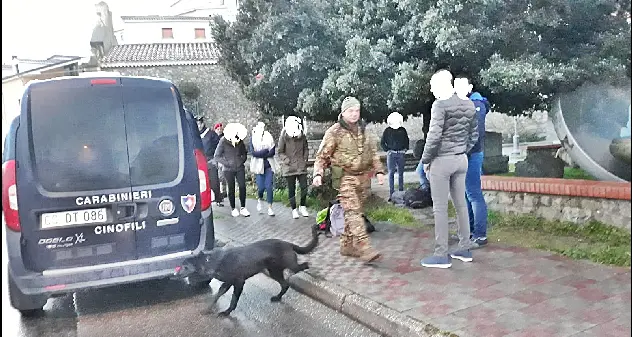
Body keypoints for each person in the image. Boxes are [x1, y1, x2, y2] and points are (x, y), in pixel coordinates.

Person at [313, 96, 385, 263]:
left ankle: (346, 245)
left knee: (355, 213)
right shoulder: (334, 132)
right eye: (350, 111)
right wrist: (318, 174)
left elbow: (373, 153)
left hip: (364, 178)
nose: (354, 114)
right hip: (345, 177)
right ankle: (365, 248)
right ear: (343, 112)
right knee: (352, 212)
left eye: (357, 110)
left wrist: (379, 171)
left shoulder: (365, 130)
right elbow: (321, 156)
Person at [420, 70, 478, 269]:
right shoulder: (468, 104)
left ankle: (441, 254)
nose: (431, 90)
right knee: (461, 205)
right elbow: (474, 134)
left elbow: (434, 137)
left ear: (441, 85)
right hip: (461, 159)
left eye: (433, 86)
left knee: (440, 209)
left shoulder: (440, 105)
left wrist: (425, 160)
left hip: (442, 161)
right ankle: (465, 248)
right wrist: (462, 151)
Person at [455, 74, 490, 248]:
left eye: (462, 86)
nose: (458, 89)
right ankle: (467, 231)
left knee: (474, 194)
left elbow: (476, 134)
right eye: (456, 86)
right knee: (465, 194)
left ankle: (480, 234)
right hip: (462, 155)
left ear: (469, 88)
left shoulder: (477, 105)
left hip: (472, 155)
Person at [214, 122, 250, 218]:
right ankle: (233, 208)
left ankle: (243, 207)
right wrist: (227, 163)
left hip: (239, 167)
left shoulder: (240, 141)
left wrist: (241, 160)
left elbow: (244, 153)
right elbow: (216, 156)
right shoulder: (223, 141)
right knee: (231, 188)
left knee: (242, 186)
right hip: (228, 169)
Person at [277, 116, 310, 219]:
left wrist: (305, 159)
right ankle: (294, 209)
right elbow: (280, 151)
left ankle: (302, 206)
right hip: (289, 167)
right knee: (291, 189)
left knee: (304, 187)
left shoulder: (302, 136)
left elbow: (306, 148)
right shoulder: (284, 136)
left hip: (301, 166)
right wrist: (287, 160)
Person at [249, 122, 277, 216]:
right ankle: (259, 199)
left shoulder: (269, 136)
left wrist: (262, 153)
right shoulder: (252, 139)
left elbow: (272, 151)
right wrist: (265, 151)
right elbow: (253, 153)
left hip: (268, 166)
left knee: (269, 187)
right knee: (261, 188)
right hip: (258, 167)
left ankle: (270, 207)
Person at [381, 112, 409, 200]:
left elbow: (406, 140)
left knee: (401, 173)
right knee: (391, 173)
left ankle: (401, 192)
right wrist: (387, 150)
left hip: (401, 153)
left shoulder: (403, 130)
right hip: (391, 154)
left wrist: (405, 149)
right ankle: (392, 194)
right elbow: (382, 142)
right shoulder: (387, 130)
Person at [198, 118, 225, 207]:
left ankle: (218, 199)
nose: (198, 126)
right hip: (200, 161)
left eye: (199, 124)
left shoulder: (211, 134)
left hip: (211, 160)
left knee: (214, 181)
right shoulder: (195, 135)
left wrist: (217, 158)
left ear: (202, 124)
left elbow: (219, 146)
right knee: (203, 183)